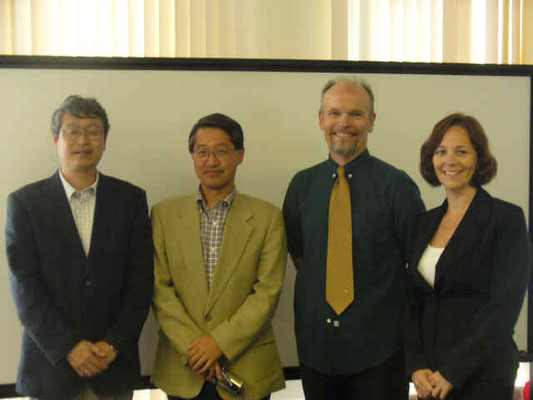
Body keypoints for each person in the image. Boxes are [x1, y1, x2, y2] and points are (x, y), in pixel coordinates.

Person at [282, 77, 425, 400]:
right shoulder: (301, 186)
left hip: (381, 352)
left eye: (356, 114)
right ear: (321, 119)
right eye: (334, 113)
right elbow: (301, 256)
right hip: (317, 349)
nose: (343, 123)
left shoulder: (397, 187)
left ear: (371, 121)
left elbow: (415, 267)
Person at [5, 95, 154, 400]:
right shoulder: (25, 203)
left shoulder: (131, 200)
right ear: (56, 138)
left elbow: (140, 282)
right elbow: (25, 288)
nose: (83, 140)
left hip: (112, 368)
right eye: (73, 131)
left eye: (93, 131)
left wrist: (113, 345)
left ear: (105, 140)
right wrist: (68, 348)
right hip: (51, 370)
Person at [151, 113, 286, 400]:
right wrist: (195, 347)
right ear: (192, 157)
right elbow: (159, 289)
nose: (211, 161)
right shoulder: (163, 215)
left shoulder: (268, 218)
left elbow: (267, 293)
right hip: (182, 369)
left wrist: (219, 343)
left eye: (221, 151)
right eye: (202, 152)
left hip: (246, 370)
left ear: (240, 155)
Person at [405, 113, 531, 400]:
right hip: (430, 377)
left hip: (483, 372)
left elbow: (503, 307)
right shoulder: (424, 223)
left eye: (461, 151)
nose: (450, 161)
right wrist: (416, 366)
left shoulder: (505, 218)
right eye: (441, 151)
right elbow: (413, 300)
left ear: (479, 158)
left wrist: (453, 371)